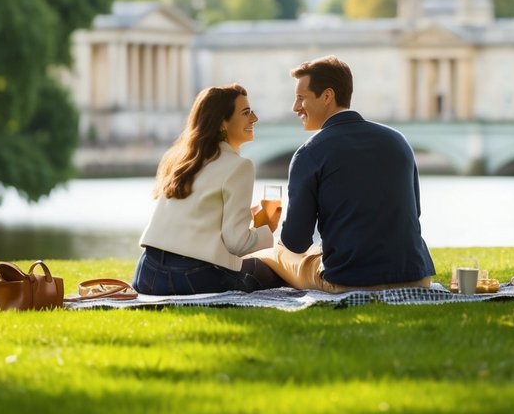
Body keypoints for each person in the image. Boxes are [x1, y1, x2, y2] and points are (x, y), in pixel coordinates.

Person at [248, 55, 435, 292]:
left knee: (271, 253)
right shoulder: (398, 140)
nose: (295, 107)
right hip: (417, 277)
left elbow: (295, 242)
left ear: (327, 96)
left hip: (350, 281)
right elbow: (414, 211)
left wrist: (268, 226)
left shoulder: (309, 153)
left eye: (300, 98)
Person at [133, 83, 285, 294]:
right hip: (192, 278)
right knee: (274, 272)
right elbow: (237, 245)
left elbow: (196, 221)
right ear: (222, 123)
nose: (254, 118)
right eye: (246, 112)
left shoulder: (179, 159)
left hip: (147, 275)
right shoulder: (240, 166)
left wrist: (248, 221)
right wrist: (267, 227)